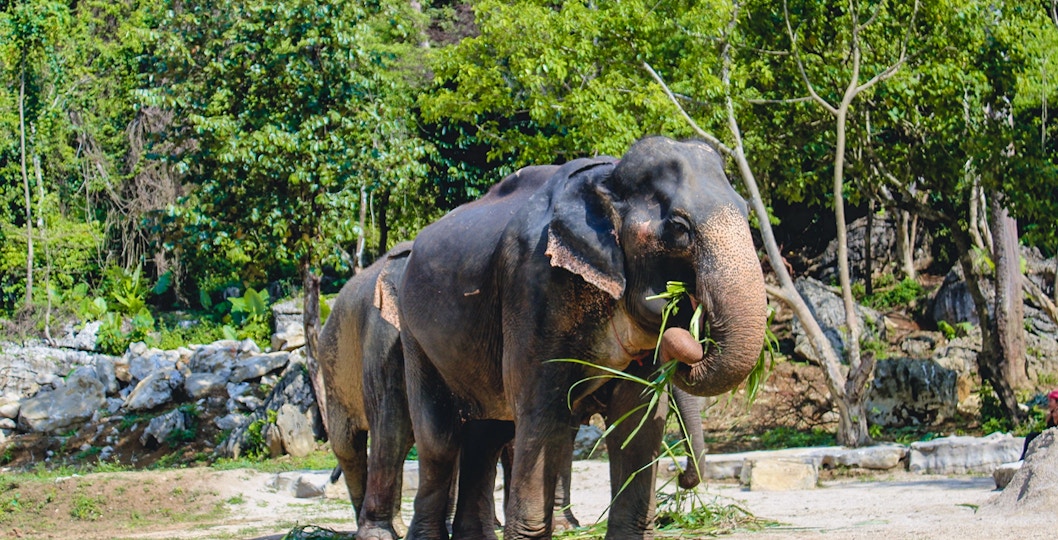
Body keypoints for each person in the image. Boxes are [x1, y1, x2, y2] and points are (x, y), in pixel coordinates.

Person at [1020, 389, 1058, 460]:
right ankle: (1023, 457)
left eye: (1051, 401)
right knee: (1030, 436)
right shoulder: (1050, 414)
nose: (1048, 404)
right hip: (1048, 435)